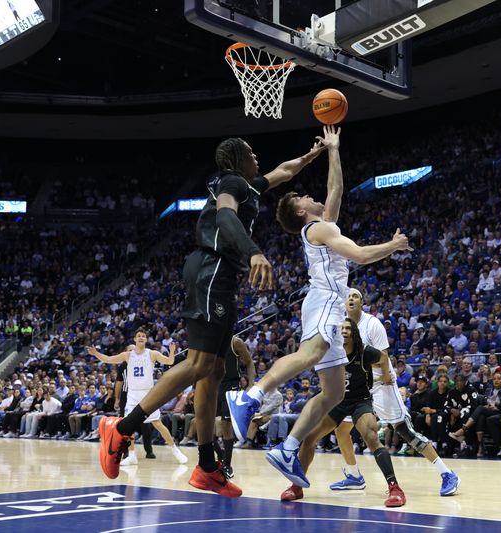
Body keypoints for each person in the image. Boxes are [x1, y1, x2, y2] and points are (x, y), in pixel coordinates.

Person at [96, 133, 325, 497]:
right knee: (200, 364)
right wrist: (253, 251)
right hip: (211, 270)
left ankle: (205, 466)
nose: (257, 155)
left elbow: (284, 171)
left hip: (223, 277)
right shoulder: (231, 183)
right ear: (236, 159)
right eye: (251, 151)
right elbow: (226, 217)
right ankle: (122, 428)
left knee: (215, 371)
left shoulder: (249, 185)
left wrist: (312, 156)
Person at [227, 126, 412, 489]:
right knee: (312, 351)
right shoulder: (317, 230)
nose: (311, 196)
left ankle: (288, 447)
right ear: (300, 209)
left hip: (326, 304)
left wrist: (334, 149)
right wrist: (393, 245)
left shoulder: (322, 225)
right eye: (304, 196)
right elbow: (359, 255)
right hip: (326, 300)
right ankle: (250, 396)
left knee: (335, 393)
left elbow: (336, 189)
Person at [330, 289, 459, 497]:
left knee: (403, 430)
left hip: (382, 384)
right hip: (359, 387)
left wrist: (387, 377)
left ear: (362, 301)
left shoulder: (372, 324)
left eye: (356, 296)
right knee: (341, 430)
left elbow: (382, 356)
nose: (351, 299)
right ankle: (354, 476)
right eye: (348, 296)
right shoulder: (342, 327)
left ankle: (447, 473)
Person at [278, 319, 406, 506]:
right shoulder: (330, 352)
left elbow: (384, 358)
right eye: (341, 328)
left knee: (371, 437)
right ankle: (296, 486)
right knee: (309, 438)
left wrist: (386, 375)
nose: (344, 331)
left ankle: (395, 488)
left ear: (354, 332)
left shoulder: (365, 352)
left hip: (360, 401)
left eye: (347, 328)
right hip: (337, 401)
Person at [89, 329, 187, 466]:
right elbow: (109, 360)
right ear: (135, 340)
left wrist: (172, 351)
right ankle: (132, 455)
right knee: (128, 425)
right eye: (139, 336)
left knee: (157, 423)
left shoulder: (152, 354)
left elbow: (170, 361)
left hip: (148, 394)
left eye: (143, 336)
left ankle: (176, 451)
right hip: (132, 395)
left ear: (146, 340)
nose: (141, 337)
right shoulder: (128, 355)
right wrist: (96, 354)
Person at [214, 336, 256, 479]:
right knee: (204, 426)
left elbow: (249, 362)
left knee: (226, 424)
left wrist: (250, 385)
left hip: (231, 385)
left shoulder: (235, 342)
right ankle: (221, 456)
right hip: (213, 384)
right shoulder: (207, 339)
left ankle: (227, 464)